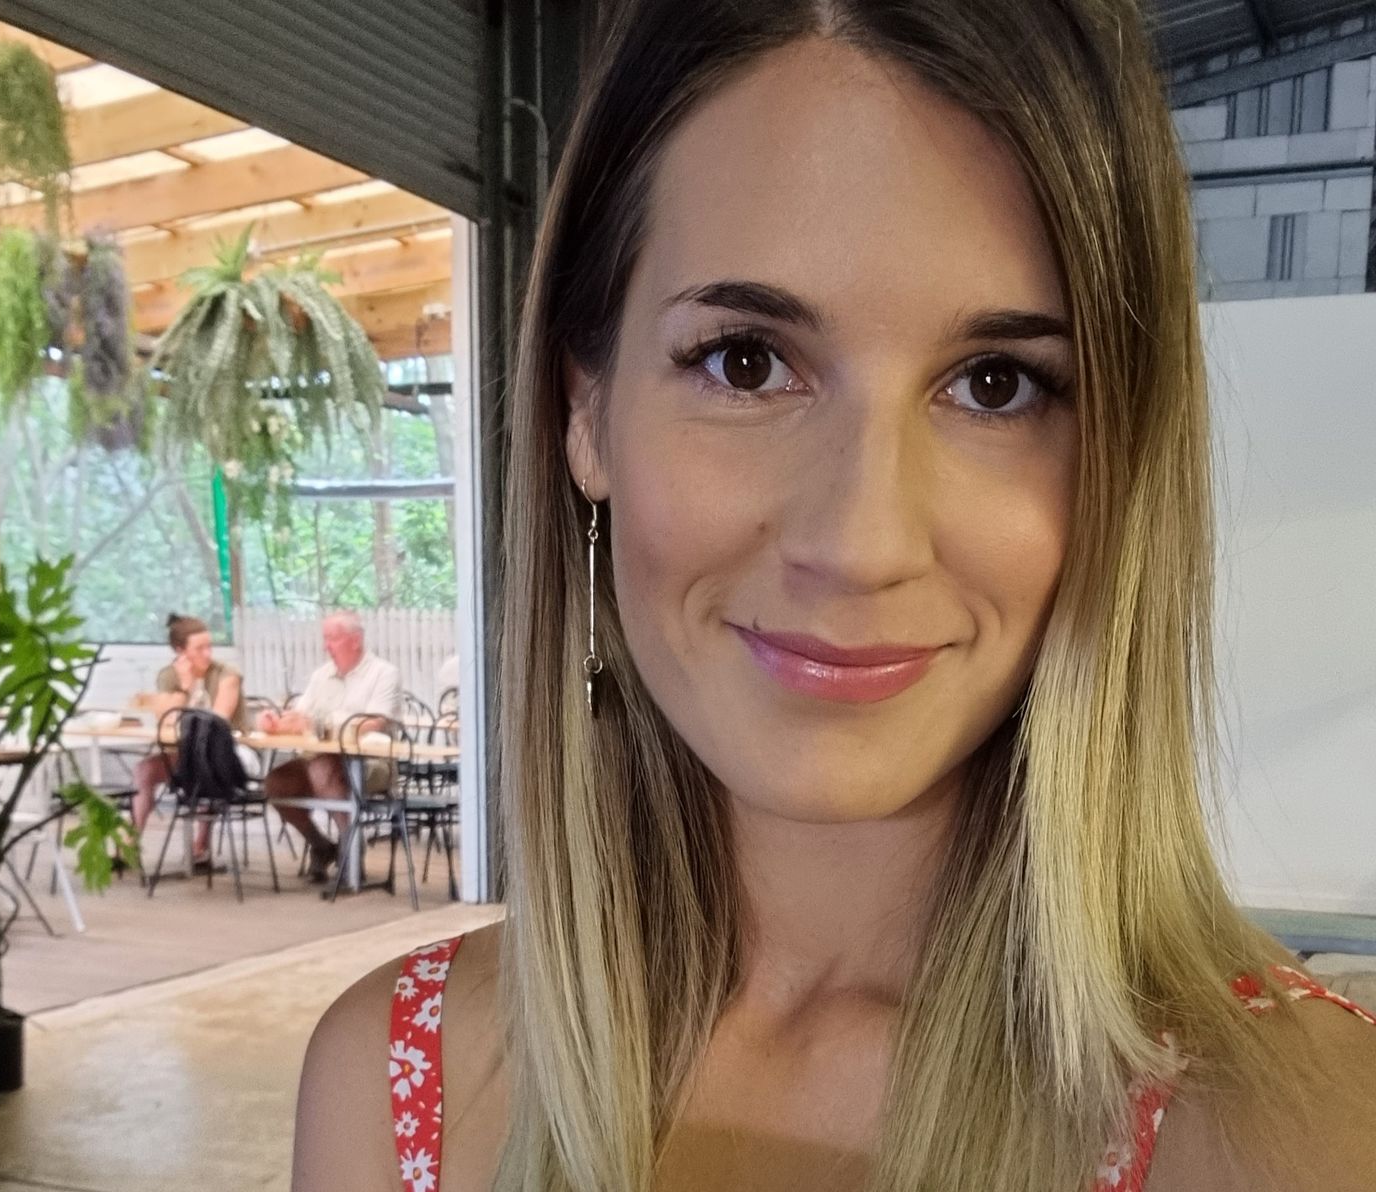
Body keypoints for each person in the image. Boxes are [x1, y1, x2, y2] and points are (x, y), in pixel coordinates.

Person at [293, 2, 1376, 1190]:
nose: (861, 543)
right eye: (746, 361)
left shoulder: (1308, 1135)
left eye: (997, 384)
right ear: (585, 411)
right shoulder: (387, 1081)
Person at [260, 611, 401, 883]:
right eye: (325, 639)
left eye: (333, 638)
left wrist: (316, 723)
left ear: (355, 640)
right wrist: (277, 722)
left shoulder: (384, 674)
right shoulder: (321, 676)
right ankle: (321, 845)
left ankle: (351, 849)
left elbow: (373, 722)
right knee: (277, 783)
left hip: (370, 764)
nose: (327, 646)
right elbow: (300, 715)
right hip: (317, 760)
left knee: (323, 768)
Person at [132, 614, 245, 870]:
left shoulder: (226, 675)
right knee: (144, 770)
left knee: (204, 766)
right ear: (180, 651)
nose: (207, 653)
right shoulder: (168, 676)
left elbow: (217, 724)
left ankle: (200, 847)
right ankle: (130, 845)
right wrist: (185, 687)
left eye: (209, 646)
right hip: (185, 753)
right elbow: (166, 720)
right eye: (199, 648)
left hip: (231, 754)